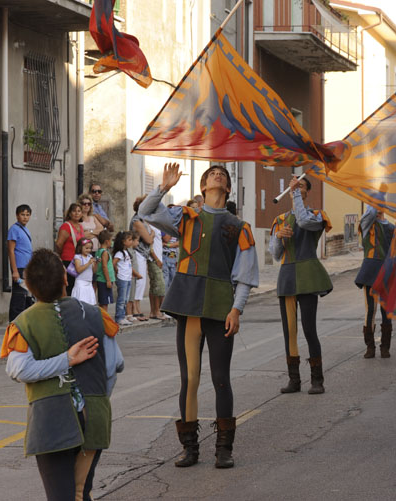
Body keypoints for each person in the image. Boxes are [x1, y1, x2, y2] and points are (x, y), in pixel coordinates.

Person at [140, 163, 258, 469]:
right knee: (189, 379)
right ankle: (189, 448)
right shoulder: (186, 216)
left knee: (220, 379)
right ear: (203, 186)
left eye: (223, 175)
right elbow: (147, 213)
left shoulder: (239, 227)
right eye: (212, 174)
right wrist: (164, 186)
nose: (218, 175)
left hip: (221, 307)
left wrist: (237, 308)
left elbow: (245, 274)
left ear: (228, 188)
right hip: (189, 305)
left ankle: (224, 448)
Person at [0, 248, 124, 501]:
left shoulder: (23, 323)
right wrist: (96, 397)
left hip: (50, 422)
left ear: (29, 286)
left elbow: (18, 369)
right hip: (94, 417)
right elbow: (114, 365)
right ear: (66, 279)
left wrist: (64, 360)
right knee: (81, 493)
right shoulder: (95, 314)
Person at [270, 175, 332, 395]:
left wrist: (295, 193)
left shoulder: (316, 215)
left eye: (301, 187)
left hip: (307, 276)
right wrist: (279, 237)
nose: (296, 189)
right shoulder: (279, 220)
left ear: (306, 192)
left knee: (309, 329)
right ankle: (294, 380)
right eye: (293, 187)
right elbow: (276, 255)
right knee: (290, 332)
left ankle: (317, 379)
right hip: (287, 277)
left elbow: (303, 221)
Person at [354, 205, 395, 358]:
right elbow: (369, 213)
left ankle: (385, 347)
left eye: (380, 202)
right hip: (370, 271)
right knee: (370, 310)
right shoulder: (367, 224)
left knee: (386, 311)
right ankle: (370, 347)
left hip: (387, 271)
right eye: (373, 202)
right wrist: (375, 194)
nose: (377, 205)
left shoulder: (392, 227)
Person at [8, 204, 33, 321]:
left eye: (27, 215)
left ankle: (25, 324)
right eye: (22, 214)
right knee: (18, 297)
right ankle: (14, 324)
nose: (25, 217)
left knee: (27, 297)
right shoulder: (14, 229)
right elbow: (11, 251)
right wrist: (15, 271)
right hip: (19, 268)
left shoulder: (25, 229)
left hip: (27, 268)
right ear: (17, 216)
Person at [130, 200, 154, 321]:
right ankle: (134, 307)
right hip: (138, 253)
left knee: (142, 282)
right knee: (138, 281)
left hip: (143, 254)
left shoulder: (143, 220)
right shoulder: (137, 221)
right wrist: (152, 236)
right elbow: (149, 240)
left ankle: (137, 307)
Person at [55, 203, 84, 296]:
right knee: (69, 288)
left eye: (79, 211)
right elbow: (59, 244)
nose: (76, 213)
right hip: (68, 261)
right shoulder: (66, 226)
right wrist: (61, 257)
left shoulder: (81, 227)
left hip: (78, 261)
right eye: (74, 211)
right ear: (70, 213)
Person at [112, 231, 135, 325]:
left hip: (128, 278)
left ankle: (123, 315)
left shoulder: (126, 252)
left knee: (125, 298)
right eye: (129, 240)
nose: (131, 242)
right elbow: (114, 263)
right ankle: (119, 317)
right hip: (122, 278)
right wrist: (116, 270)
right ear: (123, 242)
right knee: (122, 299)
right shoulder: (119, 253)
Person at [148, 224, 166, 320]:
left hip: (159, 257)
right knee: (158, 286)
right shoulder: (150, 226)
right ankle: (156, 311)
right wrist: (156, 259)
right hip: (153, 259)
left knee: (155, 285)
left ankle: (154, 311)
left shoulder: (157, 225)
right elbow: (150, 245)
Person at [72, 238, 97, 305]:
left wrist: (96, 263)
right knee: (81, 303)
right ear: (80, 247)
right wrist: (88, 263)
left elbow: (94, 271)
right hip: (81, 283)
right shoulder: (78, 257)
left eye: (90, 248)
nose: (89, 250)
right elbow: (78, 270)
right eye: (86, 248)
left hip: (89, 283)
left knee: (89, 304)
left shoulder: (90, 256)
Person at [95, 231, 115, 312]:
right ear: (107, 241)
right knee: (105, 303)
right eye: (111, 240)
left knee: (102, 302)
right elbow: (104, 266)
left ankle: (102, 319)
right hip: (104, 280)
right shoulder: (105, 252)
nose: (112, 242)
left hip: (101, 280)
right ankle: (104, 321)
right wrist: (108, 280)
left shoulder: (98, 251)